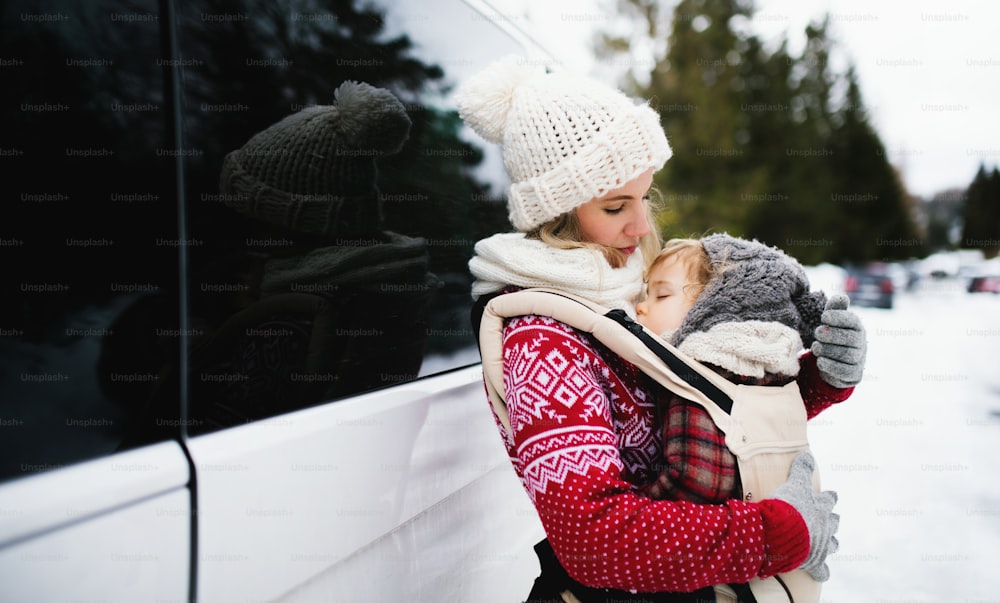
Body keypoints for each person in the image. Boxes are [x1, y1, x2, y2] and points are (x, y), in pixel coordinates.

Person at [457, 55, 866, 602]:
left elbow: (703, 416)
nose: (642, 224)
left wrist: (822, 380)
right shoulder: (544, 341)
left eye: (645, 194)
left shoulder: (623, 292)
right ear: (554, 214)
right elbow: (594, 540)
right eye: (615, 204)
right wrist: (775, 534)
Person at [634, 234, 834, 506]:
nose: (641, 307)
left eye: (661, 294)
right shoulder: (769, 369)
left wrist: (640, 505)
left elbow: (695, 481)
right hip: (783, 514)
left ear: (710, 307)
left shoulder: (698, 374)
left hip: (717, 539)